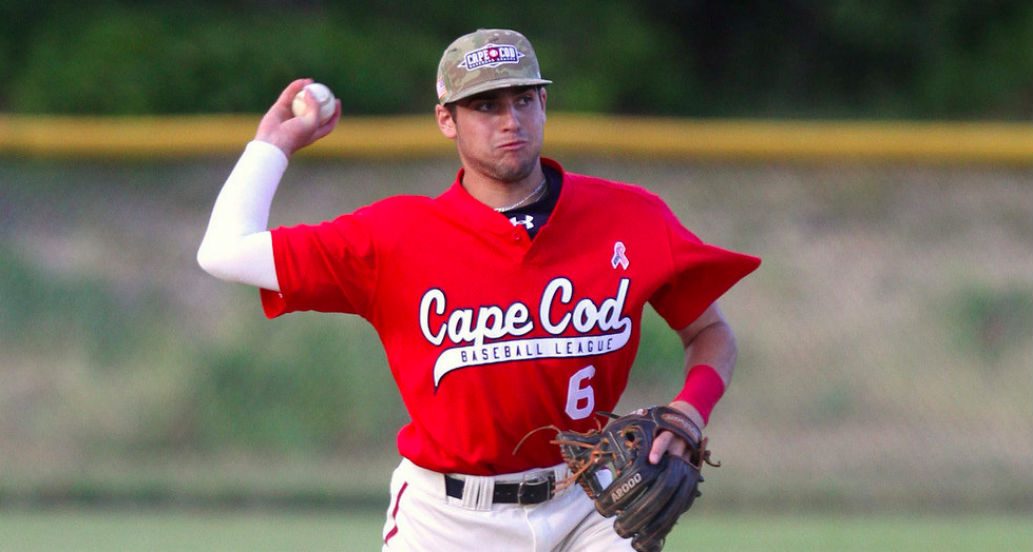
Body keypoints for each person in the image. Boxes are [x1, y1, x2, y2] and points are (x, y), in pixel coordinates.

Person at [198, 28, 760, 552]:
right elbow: (223, 250)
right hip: (448, 521)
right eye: (485, 106)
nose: (509, 119)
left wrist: (691, 411)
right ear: (446, 120)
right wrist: (271, 146)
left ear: (544, 106)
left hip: (593, 503)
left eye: (522, 99)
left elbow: (709, 331)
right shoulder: (392, 238)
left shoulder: (629, 217)